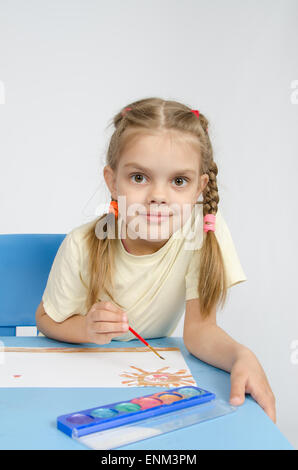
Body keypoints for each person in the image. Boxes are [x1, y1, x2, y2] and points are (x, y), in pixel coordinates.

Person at [36, 97, 276, 423]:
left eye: (179, 181)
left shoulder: (203, 233)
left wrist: (241, 356)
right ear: (112, 180)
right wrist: (86, 328)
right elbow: (46, 319)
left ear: (199, 188)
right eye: (139, 177)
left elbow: (200, 329)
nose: (158, 196)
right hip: (79, 384)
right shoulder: (82, 243)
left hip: (143, 388)